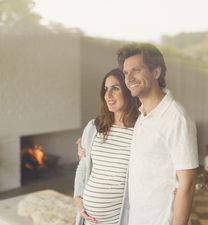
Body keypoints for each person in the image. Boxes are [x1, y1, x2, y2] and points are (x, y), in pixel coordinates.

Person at [117, 43, 199, 225]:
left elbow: (187, 184)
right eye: (125, 73)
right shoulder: (142, 116)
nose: (129, 78)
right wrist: (87, 145)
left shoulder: (176, 118)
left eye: (136, 70)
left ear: (156, 72)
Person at [73, 68, 139, 225]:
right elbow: (83, 167)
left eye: (115, 88)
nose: (108, 95)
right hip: (87, 219)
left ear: (129, 91)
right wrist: (78, 198)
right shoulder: (94, 127)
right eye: (106, 89)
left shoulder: (140, 131)